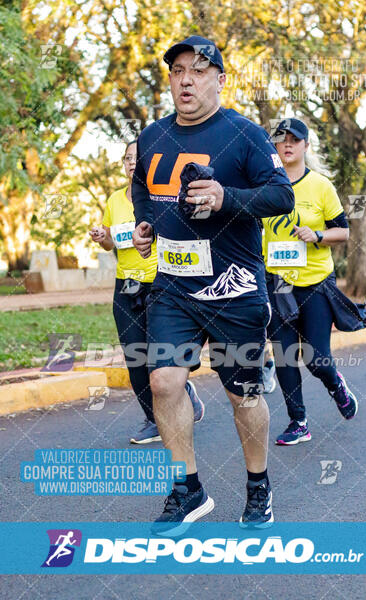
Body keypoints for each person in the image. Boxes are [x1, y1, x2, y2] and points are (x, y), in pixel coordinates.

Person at [132, 35, 295, 533]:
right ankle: (187, 490)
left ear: (220, 80)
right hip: (173, 286)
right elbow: (142, 186)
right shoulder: (153, 136)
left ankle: (258, 486)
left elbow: (281, 196)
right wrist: (145, 225)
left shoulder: (243, 134)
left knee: (243, 394)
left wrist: (227, 198)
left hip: (235, 287)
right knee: (163, 381)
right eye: (178, 70)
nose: (186, 79)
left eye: (199, 70)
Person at [263, 118, 366, 446]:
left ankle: (336, 385)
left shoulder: (320, 185)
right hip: (277, 283)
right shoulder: (264, 187)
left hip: (315, 282)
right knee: (283, 355)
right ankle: (298, 422)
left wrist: (318, 234)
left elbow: (345, 230)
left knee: (316, 357)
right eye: (281, 139)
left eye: (295, 139)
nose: (288, 144)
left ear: (306, 146)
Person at [89, 141, 204, 444]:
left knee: (160, 354)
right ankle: (153, 419)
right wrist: (103, 237)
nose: (131, 163)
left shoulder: (159, 196)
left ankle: (181, 389)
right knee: (134, 354)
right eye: (127, 158)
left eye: (136, 158)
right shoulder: (114, 200)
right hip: (126, 284)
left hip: (159, 283)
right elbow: (111, 242)